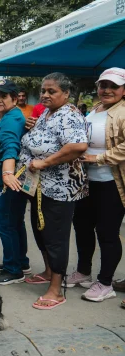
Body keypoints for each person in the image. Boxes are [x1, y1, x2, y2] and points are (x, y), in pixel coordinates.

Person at [18, 72, 88, 310]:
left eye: (52, 91)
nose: (45, 94)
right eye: (43, 90)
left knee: (56, 236)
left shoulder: (70, 115)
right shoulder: (46, 114)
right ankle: (49, 272)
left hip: (60, 188)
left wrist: (45, 163)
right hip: (39, 185)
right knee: (41, 231)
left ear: (66, 94)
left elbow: (77, 146)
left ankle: (57, 289)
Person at [67, 67, 125, 303]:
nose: (107, 90)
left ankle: (105, 282)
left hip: (112, 182)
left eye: (113, 86)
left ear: (123, 90)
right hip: (87, 182)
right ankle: (83, 272)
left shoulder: (122, 112)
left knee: (107, 233)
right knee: (82, 227)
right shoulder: (96, 110)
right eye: (103, 85)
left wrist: (97, 158)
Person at [0, 79, 30, 285]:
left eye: (3, 96)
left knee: (5, 222)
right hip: (14, 178)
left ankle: (13, 269)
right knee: (15, 221)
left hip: (9, 179)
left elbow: (10, 147)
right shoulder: (8, 116)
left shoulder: (10, 120)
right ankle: (20, 261)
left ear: (15, 98)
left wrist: (7, 174)